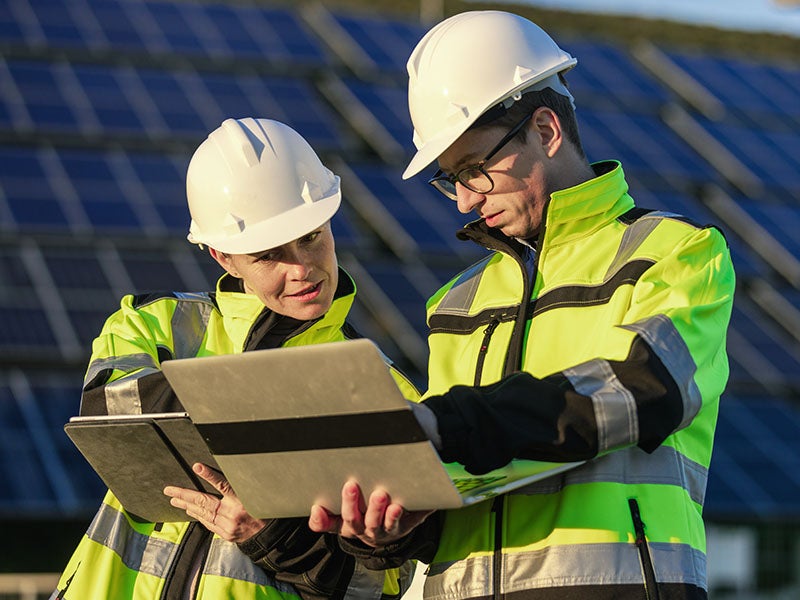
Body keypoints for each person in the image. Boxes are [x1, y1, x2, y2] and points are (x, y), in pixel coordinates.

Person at [309, 10, 736, 600]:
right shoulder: (454, 304)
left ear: (546, 129)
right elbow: (458, 481)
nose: (462, 201)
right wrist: (393, 531)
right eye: (449, 179)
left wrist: (445, 425)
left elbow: (642, 388)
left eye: (474, 170)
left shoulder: (676, 253)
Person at [52, 117, 418, 600]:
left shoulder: (383, 387)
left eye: (311, 236)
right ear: (222, 256)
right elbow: (108, 411)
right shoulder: (155, 323)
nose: (302, 268)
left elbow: (389, 579)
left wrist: (275, 535)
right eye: (269, 255)